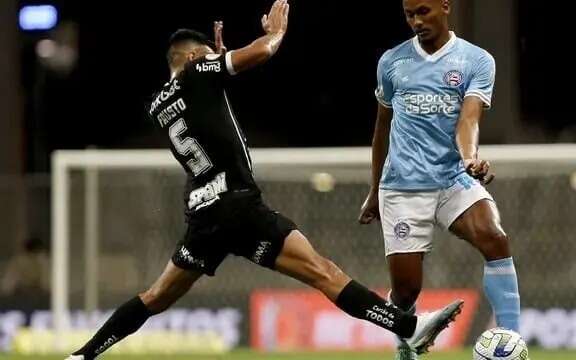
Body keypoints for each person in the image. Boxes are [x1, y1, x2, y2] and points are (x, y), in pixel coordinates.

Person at [67, 1, 463, 359]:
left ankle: (82, 356)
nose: (213, 61)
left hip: (204, 217)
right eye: (205, 57)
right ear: (190, 57)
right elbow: (258, 53)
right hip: (238, 204)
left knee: (155, 297)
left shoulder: (159, 103)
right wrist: (274, 34)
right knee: (323, 272)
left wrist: (214, 62)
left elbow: (204, 108)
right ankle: (409, 327)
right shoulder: (196, 72)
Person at [359, 0, 521, 359]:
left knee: (495, 238)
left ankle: (510, 341)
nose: (416, 21)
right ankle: (406, 344)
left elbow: (469, 119)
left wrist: (469, 158)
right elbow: (381, 129)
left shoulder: (476, 61)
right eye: (408, 15)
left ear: (445, 6)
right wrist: (374, 190)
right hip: (402, 186)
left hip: (452, 177)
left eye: (423, 11)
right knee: (405, 290)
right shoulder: (392, 62)